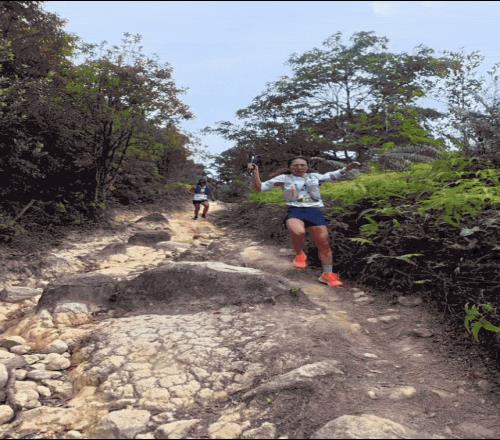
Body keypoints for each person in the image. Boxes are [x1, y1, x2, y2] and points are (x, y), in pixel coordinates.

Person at [250, 156, 362, 288]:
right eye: (295, 165)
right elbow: (260, 188)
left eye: (302, 165)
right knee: (298, 232)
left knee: (324, 244)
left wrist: (348, 168)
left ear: (307, 166)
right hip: (295, 210)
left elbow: (333, 175)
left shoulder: (314, 177)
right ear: (290, 167)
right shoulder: (284, 178)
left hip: (315, 211)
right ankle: (299, 253)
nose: (299, 167)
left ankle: (327, 274)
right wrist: (255, 172)